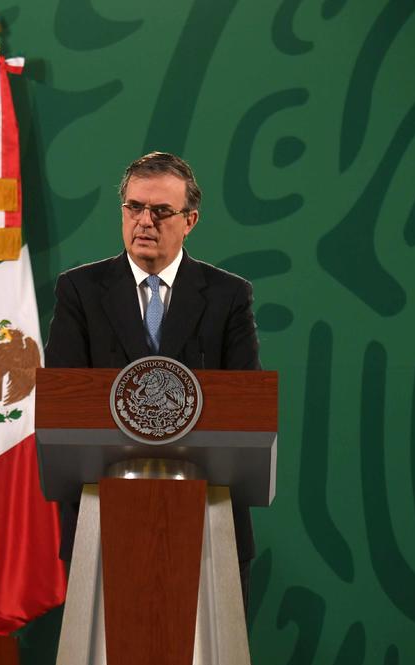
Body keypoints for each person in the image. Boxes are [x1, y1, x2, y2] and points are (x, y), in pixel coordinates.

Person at [44, 151, 259, 607]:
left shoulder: (229, 296)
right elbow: (64, 403)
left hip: (208, 518)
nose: (145, 221)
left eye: (161, 210)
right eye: (134, 207)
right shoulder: (79, 291)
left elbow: (246, 407)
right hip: (103, 516)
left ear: (190, 220)